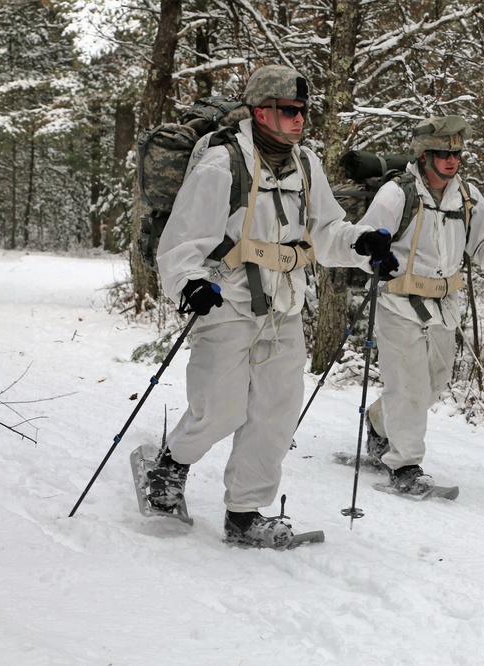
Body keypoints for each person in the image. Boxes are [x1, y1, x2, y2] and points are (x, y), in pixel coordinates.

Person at [143, 64, 396, 548]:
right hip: (227, 300)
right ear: (261, 112)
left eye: (303, 111)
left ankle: (244, 515)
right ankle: (169, 467)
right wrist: (189, 284)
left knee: (276, 413)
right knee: (220, 409)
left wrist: (361, 243)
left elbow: (326, 231)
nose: (300, 119)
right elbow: (180, 242)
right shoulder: (221, 164)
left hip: (285, 305)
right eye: (289, 111)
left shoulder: (306, 164)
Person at [358, 115, 484, 495]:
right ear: (423, 156)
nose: (452, 160)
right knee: (410, 385)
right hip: (399, 302)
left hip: (444, 304)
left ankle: (379, 423)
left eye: (456, 153)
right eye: (442, 153)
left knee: (435, 381)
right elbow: (364, 238)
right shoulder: (396, 194)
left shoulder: (466, 196)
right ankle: (405, 466)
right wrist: (374, 254)